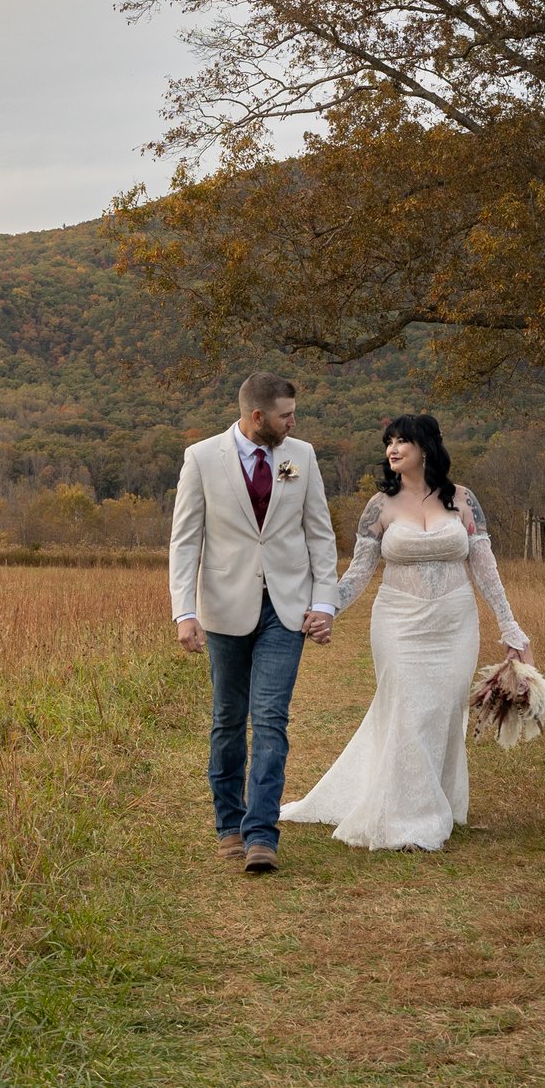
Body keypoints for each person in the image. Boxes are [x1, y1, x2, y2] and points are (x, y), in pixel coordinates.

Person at [282, 412, 532, 851]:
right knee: (408, 708)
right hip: (398, 622)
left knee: (442, 713)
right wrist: (326, 609)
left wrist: (511, 628)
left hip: (455, 623)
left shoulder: (463, 500)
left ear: (427, 447)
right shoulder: (380, 507)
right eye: (389, 442)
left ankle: (437, 802)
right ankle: (412, 821)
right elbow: (359, 573)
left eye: (402, 441)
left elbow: (486, 570)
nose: (392, 450)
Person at [169, 371, 338, 874]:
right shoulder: (202, 458)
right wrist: (185, 611)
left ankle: (261, 833)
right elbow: (185, 540)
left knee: (270, 718)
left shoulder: (301, 456)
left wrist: (324, 602)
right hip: (224, 606)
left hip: (285, 608)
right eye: (286, 415)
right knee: (228, 720)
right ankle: (229, 823)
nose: (294, 422)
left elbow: (320, 535)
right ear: (257, 416)